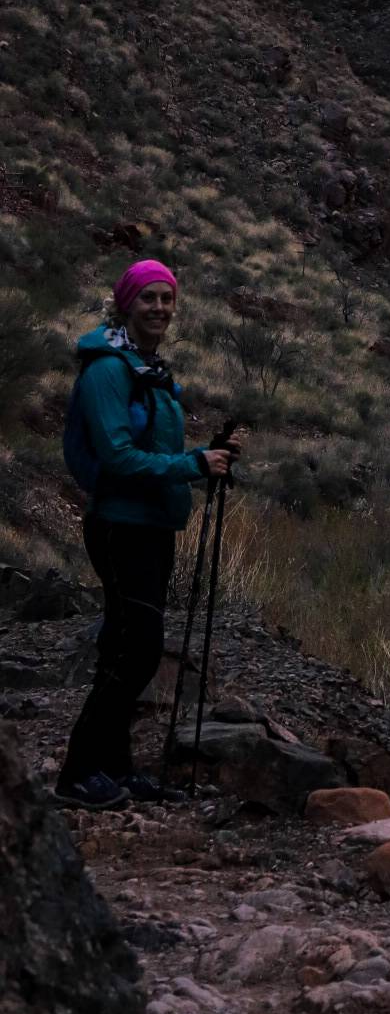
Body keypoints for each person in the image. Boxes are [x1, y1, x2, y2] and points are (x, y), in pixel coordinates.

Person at [55, 259, 236, 810]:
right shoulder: (110, 371)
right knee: (139, 651)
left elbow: (152, 450)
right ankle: (78, 771)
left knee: (123, 645)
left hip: (151, 525)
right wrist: (192, 465)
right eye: (148, 298)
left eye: (166, 298)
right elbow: (116, 456)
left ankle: (114, 768)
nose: (159, 307)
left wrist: (207, 459)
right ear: (125, 303)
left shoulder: (148, 369)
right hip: (120, 526)